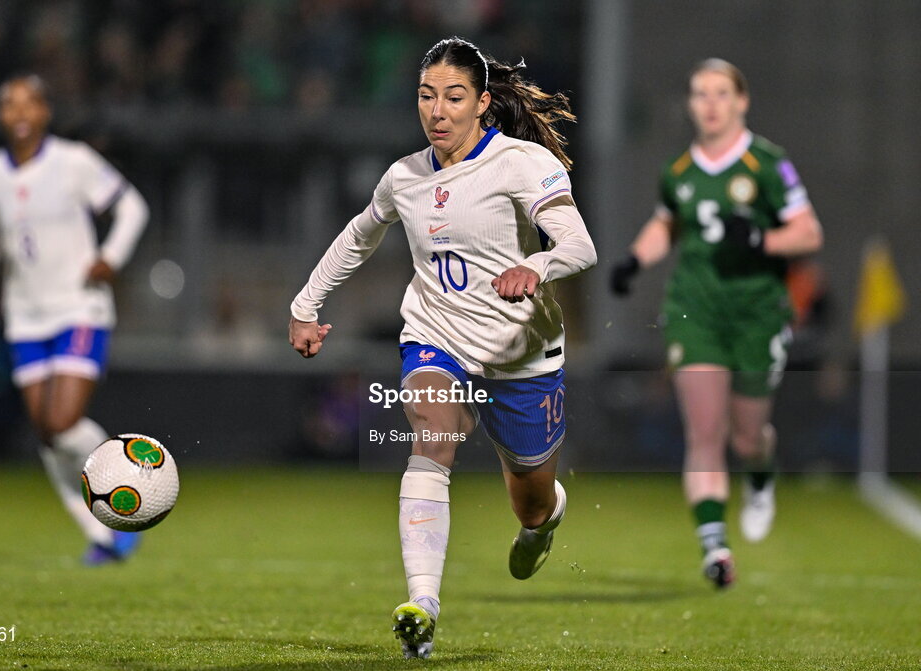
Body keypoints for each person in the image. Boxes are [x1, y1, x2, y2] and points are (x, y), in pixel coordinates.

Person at [289, 37, 596, 658]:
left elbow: (580, 246)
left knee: (530, 501)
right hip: (437, 337)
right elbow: (358, 236)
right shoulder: (404, 176)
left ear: (482, 103)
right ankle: (422, 606)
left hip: (520, 355)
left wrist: (536, 267)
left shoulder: (522, 163)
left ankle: (544, 518)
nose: (437, 110)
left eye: (453, 97)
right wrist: (305, 306)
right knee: (432, 438)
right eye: (427, 96)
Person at [609, 59, 823, 588]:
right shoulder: (679, 172)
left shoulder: (768, 164)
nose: (709, 103)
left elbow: (809, 233)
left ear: (741, 101)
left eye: (721, 93)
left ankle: (760, 474)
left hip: (755, 312)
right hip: (695, 310)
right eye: (700, 93)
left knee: (748, 436)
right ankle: (715, 548)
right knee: (704, 431)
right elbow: (665, 223)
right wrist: (635, 260)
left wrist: (761, 241)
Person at [0, 74, 149, 565]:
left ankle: (136, 474)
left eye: (29, 104)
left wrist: (111, 256)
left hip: (80, 307)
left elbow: (132, 207)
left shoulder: (73, 162)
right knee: (45, 434)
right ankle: (104, 534)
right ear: (0, 115)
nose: (19, 113)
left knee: (61, 421)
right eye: (9, 105)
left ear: (45, 112)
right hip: (25, 317)